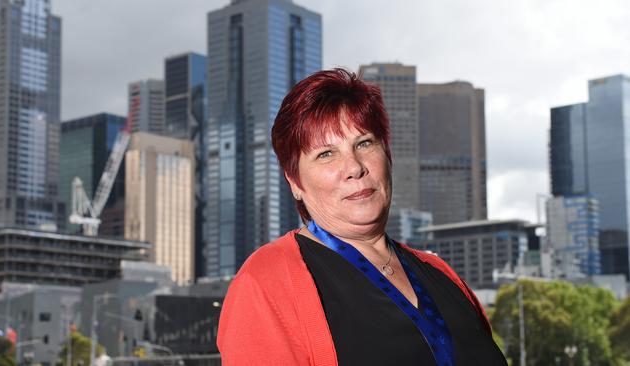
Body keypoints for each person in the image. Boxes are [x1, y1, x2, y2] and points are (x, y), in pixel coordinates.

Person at [217, 68, 507, 366]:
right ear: (295, 182)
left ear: (387, 154)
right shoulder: (267, 281)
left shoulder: (441, 273)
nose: (354, 167)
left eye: (364, 143)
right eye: (326, 154)